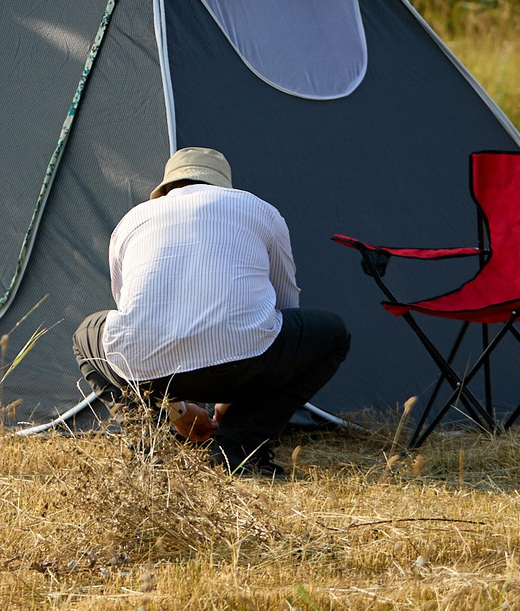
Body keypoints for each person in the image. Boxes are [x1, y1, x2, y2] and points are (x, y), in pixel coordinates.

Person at [72, 146, 351, 479]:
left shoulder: (132, 219)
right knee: (333, 335)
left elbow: (130, 314)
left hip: (146, 367)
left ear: (166, 187)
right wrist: (240, 393)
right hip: (244, 362)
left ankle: (147, 447)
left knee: (86, 336)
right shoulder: (259, 210)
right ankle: (237, 446)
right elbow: (286, 306)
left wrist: (177, 411)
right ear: (223, 185)